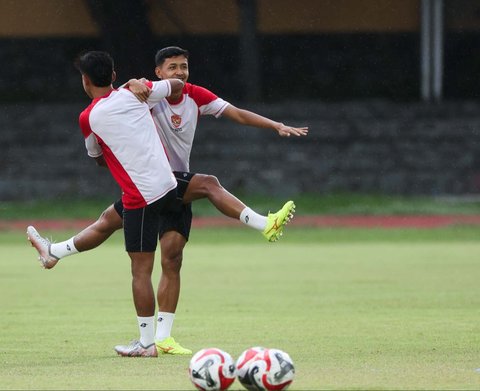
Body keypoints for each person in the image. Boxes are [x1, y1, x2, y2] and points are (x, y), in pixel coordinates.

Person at [27, 46, 308, 357]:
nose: (179, 73)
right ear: (123, 75)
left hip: (149, 190)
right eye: (172, 67)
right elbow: (171, 88)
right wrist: (145, 88)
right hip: (160, 186)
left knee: (158, 262)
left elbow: (96, 157)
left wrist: (123, 146)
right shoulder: (137, 94)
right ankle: (54, 253)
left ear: (84, 80)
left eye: (183, 66)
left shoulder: (98, 113)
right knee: (113, 222)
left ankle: (154, 340)